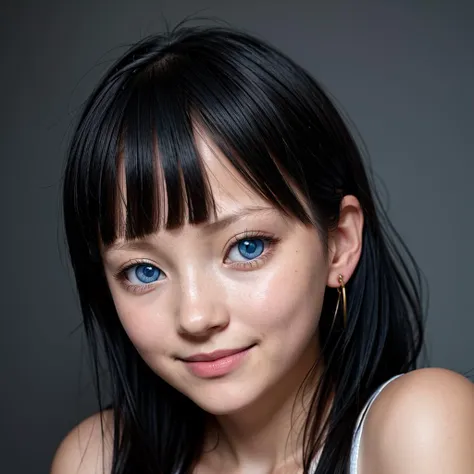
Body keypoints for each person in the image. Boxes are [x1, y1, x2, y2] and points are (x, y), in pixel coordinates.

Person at [51, 23, 474, 474]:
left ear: (340, 244)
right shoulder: (97, 460)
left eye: (247, 246)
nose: (195, 317)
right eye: (143, 271)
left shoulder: (420, 427)